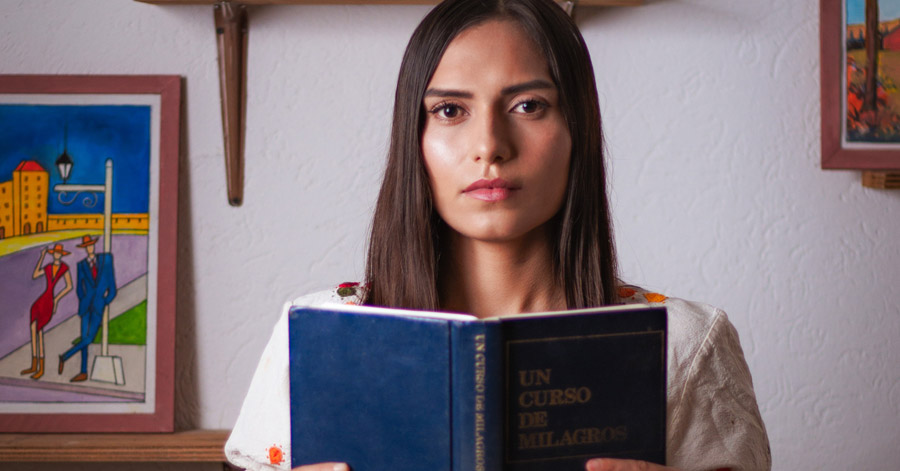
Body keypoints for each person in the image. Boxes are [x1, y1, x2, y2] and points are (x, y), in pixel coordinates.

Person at [226, 0, 771, 469]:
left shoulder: (682, 342)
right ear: (412, 138)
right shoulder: (317, 334)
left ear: (576, 129)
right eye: (449, 110)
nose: (489, 145)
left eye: (528, 106)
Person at [58, 235, 117, 383]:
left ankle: (65, 356)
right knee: (85, 338)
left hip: (98, 305)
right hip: (85, 307)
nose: (89, 248)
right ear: (84, 248)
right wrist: (83, 300)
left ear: (94, 246)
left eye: (91, 245)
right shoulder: (81, 265)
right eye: (87, 246)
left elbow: (112, 286)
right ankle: (83, 372)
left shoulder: (106, 260)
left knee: (89, 338)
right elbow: (79, 288)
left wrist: (105, 301)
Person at [21, 243, 73, 380]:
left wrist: (56, 299)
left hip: (49, 301)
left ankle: (41, 369)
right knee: (33, 329)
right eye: (55, 253)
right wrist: (42, 256)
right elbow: (35, 274)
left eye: (59, 253)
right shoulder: (48, 267)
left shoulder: (64, 268)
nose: (57, 255)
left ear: (62, 255)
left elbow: (69, 286)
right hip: (41, 300)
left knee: (39, 332)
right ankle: (33, 364)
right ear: (53, 254)